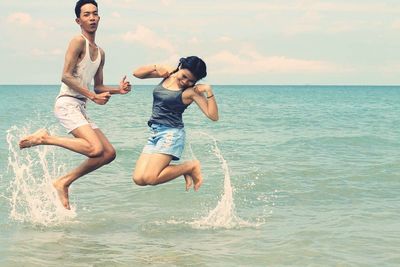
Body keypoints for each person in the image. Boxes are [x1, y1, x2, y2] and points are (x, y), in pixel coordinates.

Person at [18, 0, 131, 209]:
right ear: (78, 20)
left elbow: (98, 86)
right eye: (86, 14)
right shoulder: (77, 42)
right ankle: (45, 138)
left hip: (80, 106)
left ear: (99, 18)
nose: (92, 18)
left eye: (95, 14)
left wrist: (118, 90)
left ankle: (63, 182)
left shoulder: (100, 52)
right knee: (94, 148)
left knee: (108, 153)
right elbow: (66, 77)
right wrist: (92, 96)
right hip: (67, 103)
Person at [132, 56, 218, 191]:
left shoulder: (191, 92)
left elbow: (213, 116)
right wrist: (157, 66)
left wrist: (209, 91)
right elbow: (137, 74)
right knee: (139, 179)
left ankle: (191, 166)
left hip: (171, 134)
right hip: (155, 132)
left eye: (191, 81)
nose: (185, 82)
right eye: (184, 76)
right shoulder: (168, 75)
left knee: (150, 178)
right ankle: (185, 170)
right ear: (180, 67)